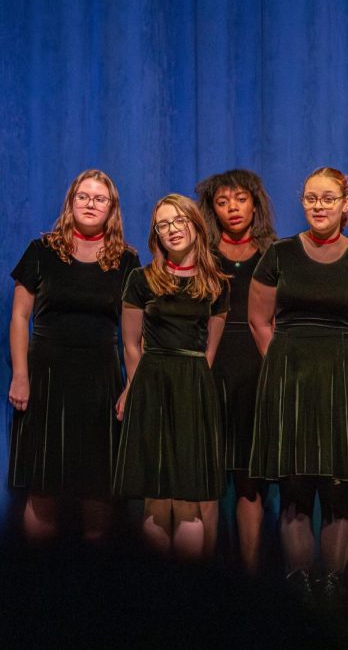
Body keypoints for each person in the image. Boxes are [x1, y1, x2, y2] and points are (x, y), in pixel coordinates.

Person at [247, 167, 348, 607]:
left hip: (342, 380)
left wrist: (339, 370)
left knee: (338, 488)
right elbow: (258, 320)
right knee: (294, 487)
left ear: (346, 205)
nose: (319, 206)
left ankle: (330, 588)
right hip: (289, 378)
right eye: (311, 198)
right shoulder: (280, 254)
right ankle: (299, 588)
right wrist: (286, 368)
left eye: (328, 199)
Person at [8, 170, 139, 543]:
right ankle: (41, 587)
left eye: (100, 198)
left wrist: (132, 385)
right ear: (71, 202)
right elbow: (19, 317)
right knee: (42, 488)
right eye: (83, 196)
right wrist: (20, 374)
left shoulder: (126, 260)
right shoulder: (42, 251)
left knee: (99, 492)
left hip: (100, 379)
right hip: (46, 376)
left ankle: (92, 589)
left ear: (111, 208)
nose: (90, 204)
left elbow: (134, 336)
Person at [113, 194, 229, 560]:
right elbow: (130, 344)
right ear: (156, 235)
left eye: (179, 221)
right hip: (151, 385)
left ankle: (187, 597)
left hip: (193, 386)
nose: (172, 230)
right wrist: (136, 387)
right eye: (163, 225)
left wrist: (191, 390)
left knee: (189, 499)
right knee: (156, 499)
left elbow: (210, 349)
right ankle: (156, 593)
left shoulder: (217, 283)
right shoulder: (140, 279)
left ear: (195, 225)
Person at [196, 169, 277, 573]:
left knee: (250, 480)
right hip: (209, 367)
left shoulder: (276, 254)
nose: (233, 208)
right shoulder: (199, 254)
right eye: (223, 202)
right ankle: (208, 578)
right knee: (208, 477)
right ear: (211, 209)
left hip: (258, 369)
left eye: (240, 199)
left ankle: (250, 575)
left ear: (255, 202)